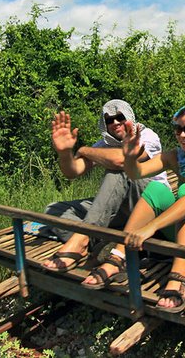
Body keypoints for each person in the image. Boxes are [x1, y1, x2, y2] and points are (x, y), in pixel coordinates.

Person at [82, 104, 185, 313]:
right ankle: (118, 256)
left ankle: (178, 275)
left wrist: (151, 227)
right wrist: (129, 156)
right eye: (178, 129)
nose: (183, 135)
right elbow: (137, 173)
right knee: (157, 188)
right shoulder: (175, 157)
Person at [41, 100, 168, 272]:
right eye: (109, 120)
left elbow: (121, 161)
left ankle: (84, 236)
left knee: (120, 170)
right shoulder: (104, 144)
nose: (115, 123)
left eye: (119, 117)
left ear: (129, 116)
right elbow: (73, 171)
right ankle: (103, 243)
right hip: (122, 208)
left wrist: (84, 149)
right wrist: (64, 154)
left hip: (150, 203)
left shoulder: (146, 135)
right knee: (54, 210)